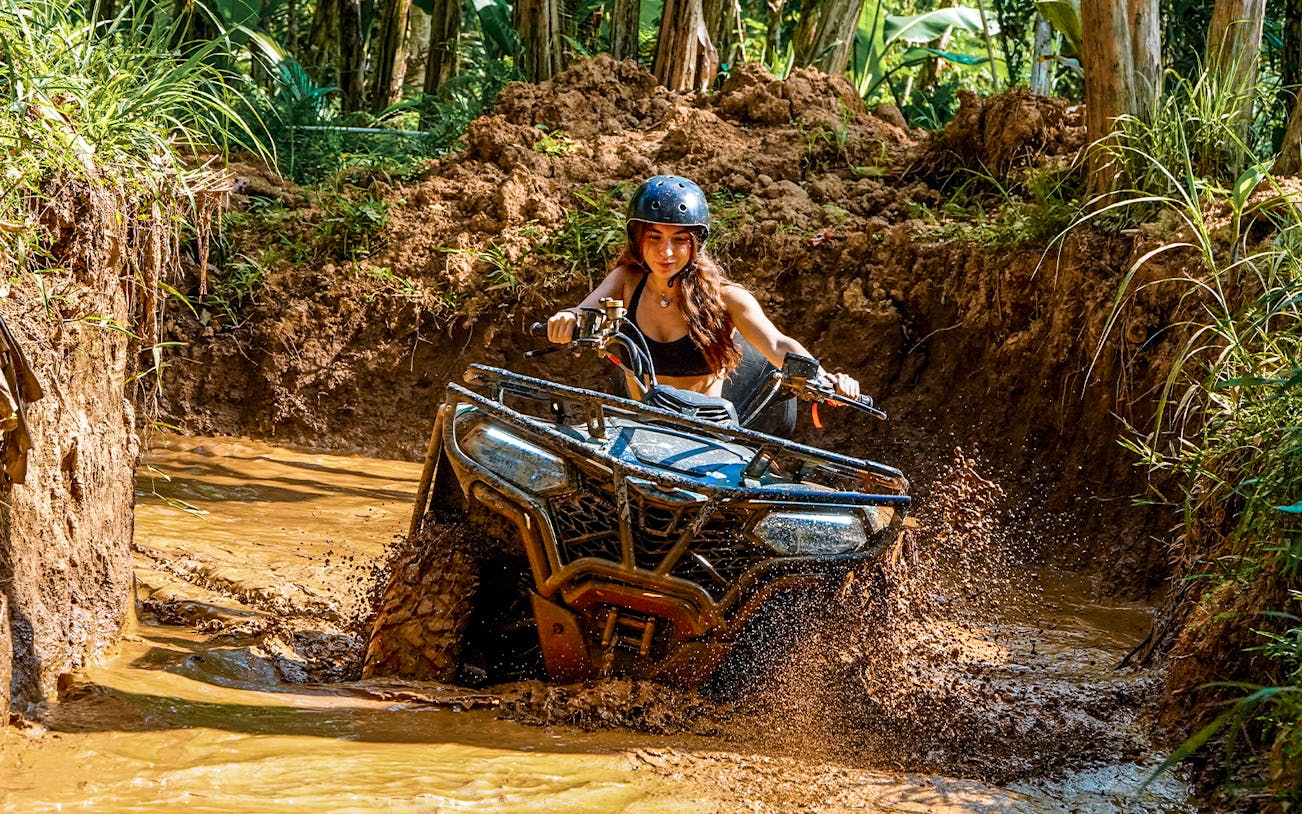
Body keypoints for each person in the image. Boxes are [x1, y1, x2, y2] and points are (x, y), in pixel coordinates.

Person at [546, 175, 860, 403]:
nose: (666, 252)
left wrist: (825, 380)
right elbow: (585, 310)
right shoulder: (626, 280)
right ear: (637, 240)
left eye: (679, 240)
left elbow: (777, 344)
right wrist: (568, 318)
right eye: (655, 237)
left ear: (696, 243)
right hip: (639, 428)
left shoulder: (727, 298)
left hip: (705, 434)